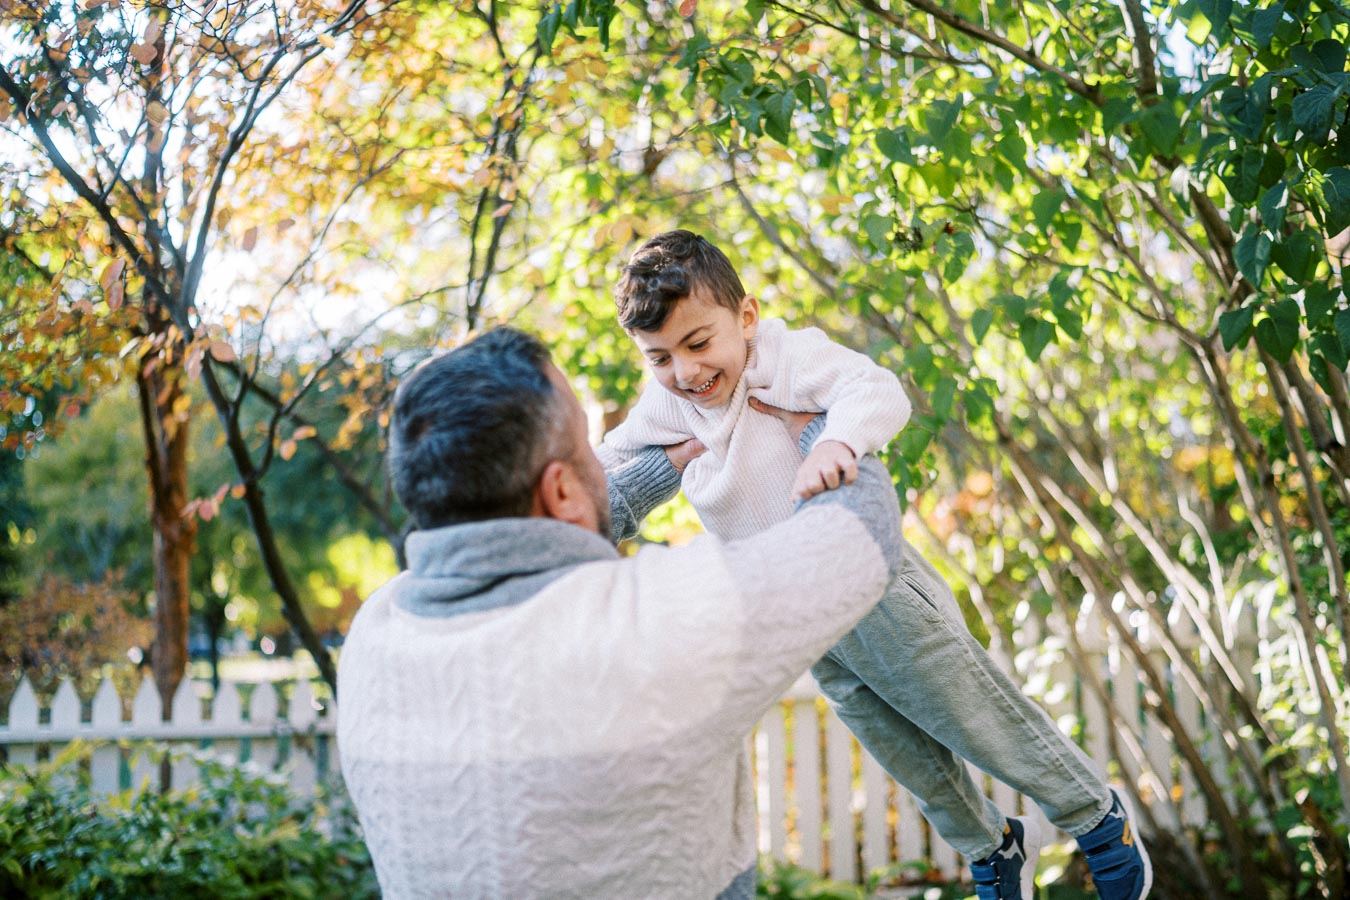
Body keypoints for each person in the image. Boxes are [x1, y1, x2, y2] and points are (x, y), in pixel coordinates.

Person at [597, 230, 1152, 900]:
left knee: (965, 708)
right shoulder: (670, 403)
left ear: (744, 318)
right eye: (659, 358)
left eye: (698, 343)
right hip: (799, 611)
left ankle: (1095, 815)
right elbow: (608, 462)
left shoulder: (784, 356)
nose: (686, 372)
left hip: (870, 581)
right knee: (904, 752)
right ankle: (991, 845)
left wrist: (836, 440)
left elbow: (878, 390)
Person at [337, 327, 912, 899]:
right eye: (587, 445)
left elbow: (518, 542)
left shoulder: (373, 636)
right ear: (561, 490)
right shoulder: (657, 618)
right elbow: (860, 532)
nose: (600, 457)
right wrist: (820, 425)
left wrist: (654, 472)